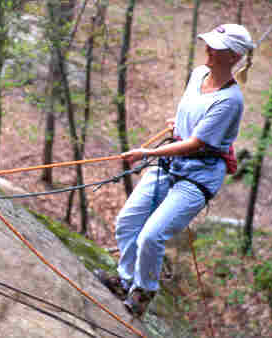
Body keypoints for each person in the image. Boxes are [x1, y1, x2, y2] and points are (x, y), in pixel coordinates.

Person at [97, 24, 255, 317]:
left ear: (233, 57)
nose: (207, 49)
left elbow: (196, 143)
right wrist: (177, 124)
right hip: (172, 165)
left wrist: (147, 152)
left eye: (216, 47)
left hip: (198, 176)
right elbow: (190, 117)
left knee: (151, 236)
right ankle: (124, 279)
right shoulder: (198, 74)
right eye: (209, 44)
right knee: (127, 223)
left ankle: (142, 293)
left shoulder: (231, 101)